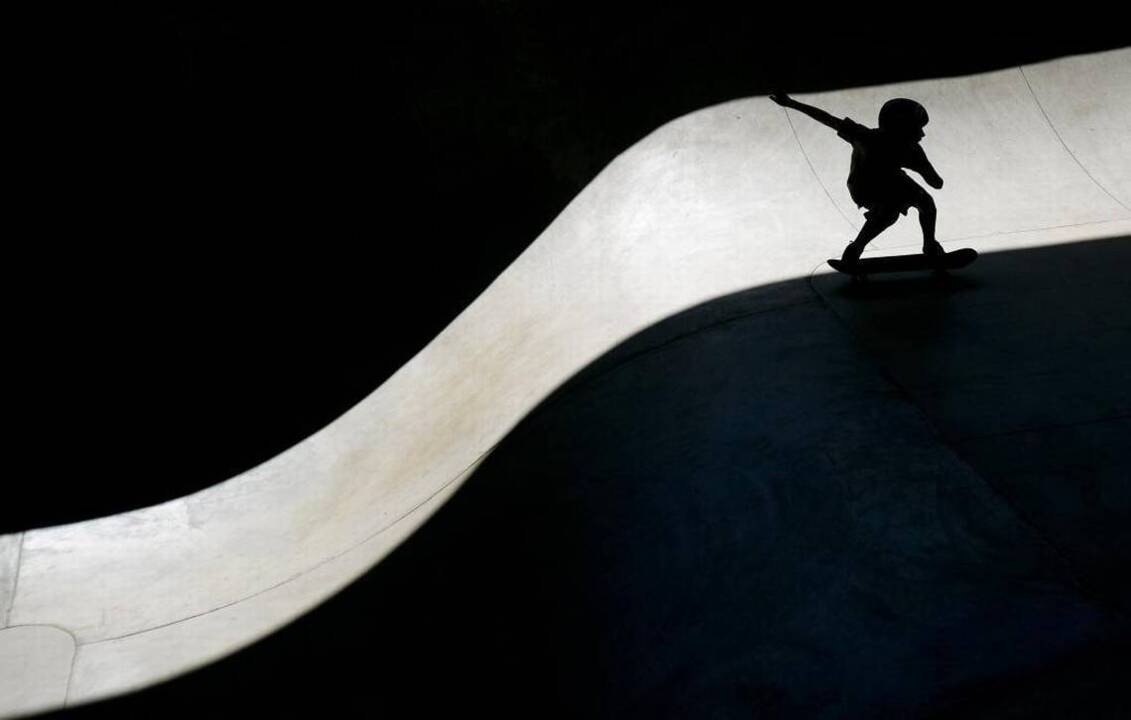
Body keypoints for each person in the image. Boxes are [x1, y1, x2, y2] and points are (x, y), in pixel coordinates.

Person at [770, 93, 945, 265]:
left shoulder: (908, 149)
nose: (922, 134)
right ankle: (856, 248)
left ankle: (929, 245)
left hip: (891, 180)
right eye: (916, 129)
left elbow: (936, 183)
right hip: (864, 187)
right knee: (889, 212)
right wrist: (792, 104)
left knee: (926, 202)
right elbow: (827, 119)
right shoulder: (866, 138)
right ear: (900, 129)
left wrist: (792, 103)